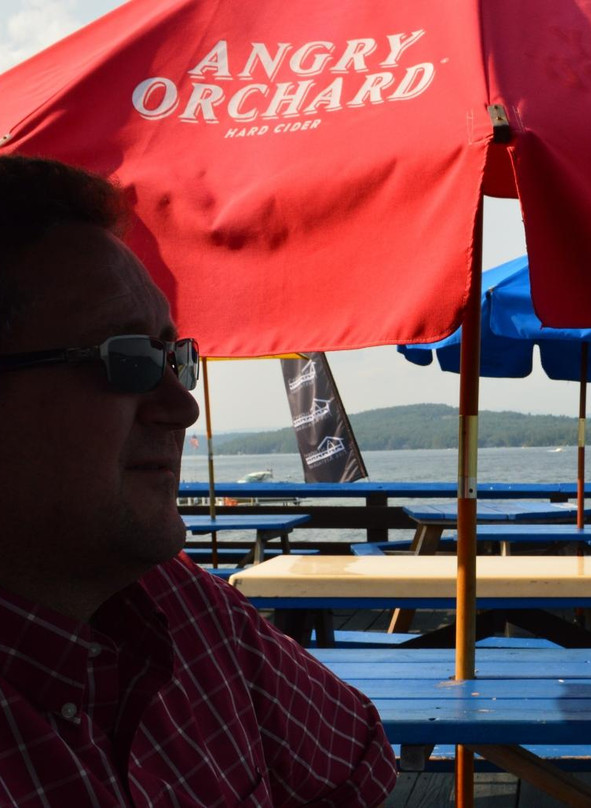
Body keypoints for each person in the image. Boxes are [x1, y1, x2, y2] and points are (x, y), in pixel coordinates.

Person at [0, 155, 397, 807]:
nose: (183, 406)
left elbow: (352, 771)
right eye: (124, 360)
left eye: (173, 358)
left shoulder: (182, 608)